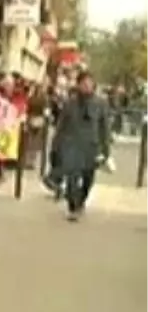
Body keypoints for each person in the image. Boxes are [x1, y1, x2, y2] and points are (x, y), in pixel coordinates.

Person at [52, 71, 110, 220]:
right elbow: (61, 125)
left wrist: (106, 150)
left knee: (88, 179)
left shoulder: (101, 103)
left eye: (89, 84)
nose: (86, 87)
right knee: (72, 176)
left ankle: (81, 200)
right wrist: (56, 145)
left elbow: (104, 127)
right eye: (83, 84)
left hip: (92, 146)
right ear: (78, 85)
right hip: (71, 145)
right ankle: (73, 206)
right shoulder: (70, 103)